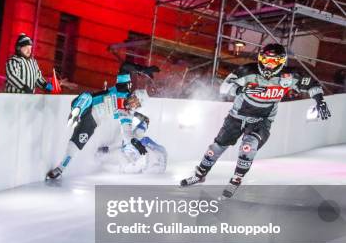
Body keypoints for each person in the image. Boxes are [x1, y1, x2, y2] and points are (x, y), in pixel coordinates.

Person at [180, 43, 331, 198]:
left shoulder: (289, 76)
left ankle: (236, 180)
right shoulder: (247, 70)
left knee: (248, 148)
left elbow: (313, 84)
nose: (268, 65)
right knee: (215, 149)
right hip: (237, 116)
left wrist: (320, 101)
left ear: (282, 62)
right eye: (265, 60)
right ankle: (199, 175)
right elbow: (224, 87)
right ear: (260, 58)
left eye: (273, 61)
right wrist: (242, 89)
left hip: (262, 120)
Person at [46, 61, 160, 180]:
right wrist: (142, 69)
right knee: (87, 97)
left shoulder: (126, 113)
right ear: (134, 95)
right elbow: (124, 66)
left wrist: (135, 142)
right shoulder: (123, 88)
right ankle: (76, 113)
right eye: (135, 101)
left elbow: (127, 133)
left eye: (137, 105)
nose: (134, 105)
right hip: (88, 105)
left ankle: (60, 169)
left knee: (76, 144)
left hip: (92, 121)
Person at [95, 111, 168, 174]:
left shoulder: (128, 161)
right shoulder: (140, 142)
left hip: (134, 151)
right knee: (131, 140)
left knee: (126, 144)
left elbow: (128, 140)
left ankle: (102, 154)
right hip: (138, 148)